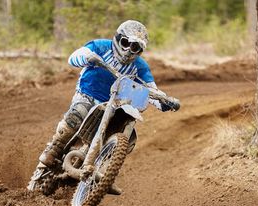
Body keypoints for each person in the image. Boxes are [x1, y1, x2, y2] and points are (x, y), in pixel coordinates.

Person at [29, 20, 178, 195]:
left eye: (135, 47)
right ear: (117, 39)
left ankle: (107, 172)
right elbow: (74, 57)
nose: (129, 49)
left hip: (115, 106)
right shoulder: (100, 46)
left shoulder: (140, 67)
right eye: (126, 43)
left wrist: (165, 101)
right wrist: (87, 57)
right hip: (87, 96)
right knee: (78, 113)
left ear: (140, 50)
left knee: (124, 131)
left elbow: (151, 89)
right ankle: (53, 149)